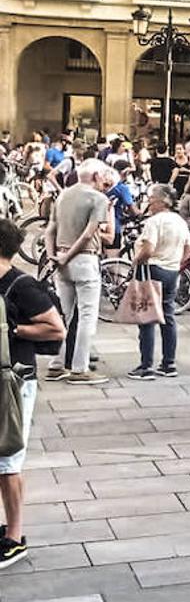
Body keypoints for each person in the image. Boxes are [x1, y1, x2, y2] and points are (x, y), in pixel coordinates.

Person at [0, 218, 66, 569]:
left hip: (14, 383)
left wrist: (13, 329)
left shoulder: (21, 287)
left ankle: (15, 537)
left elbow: (56, 330)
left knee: (8, 460)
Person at [43, 159, 113, 385]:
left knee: (64, 314)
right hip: (84, 260)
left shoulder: (63, 195)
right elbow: (87, 235)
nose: (105, 179)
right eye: (103, 175)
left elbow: (49, 230)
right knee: (86, 316)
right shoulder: (98, 198)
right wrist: (68, 255)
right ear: (95, 176)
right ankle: (79, 368)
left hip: (61, 260)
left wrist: (55, 256)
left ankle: (56, 363)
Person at [126, 185, 190, 380]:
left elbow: (148, 249)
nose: (149, 203)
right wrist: (176, 264)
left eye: (152, 199)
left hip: (152, 269)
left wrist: (136, 260)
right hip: (172, 270)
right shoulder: (180, 221)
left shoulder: (154, 222)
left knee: (147, 318)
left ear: (162, 202)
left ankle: (146, 365)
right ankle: (168, 363)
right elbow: (188, 250)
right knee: (167, 315)